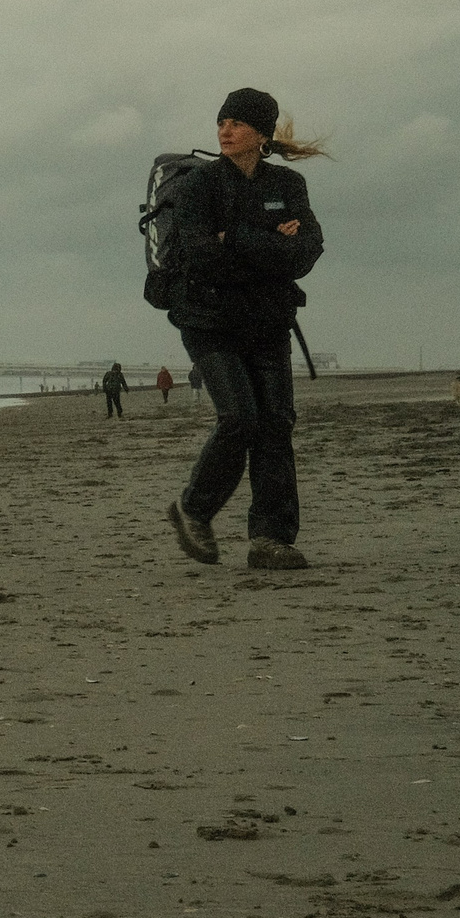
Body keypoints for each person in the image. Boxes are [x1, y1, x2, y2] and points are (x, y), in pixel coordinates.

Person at [157, 88, 327, 571]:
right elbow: (196, 252)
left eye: (236, 123)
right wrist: (269, 243)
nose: (224, 131)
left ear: (262, 134)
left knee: (276, 425)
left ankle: (271, 539)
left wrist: (235, 239)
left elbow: (308, 249)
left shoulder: (288, 184)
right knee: (240, 419)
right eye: (221, 122)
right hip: (208, 320)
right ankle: (194, 509)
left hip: (268, 321)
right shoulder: (199, 186)